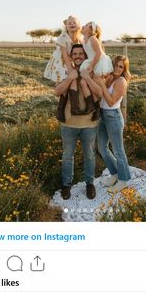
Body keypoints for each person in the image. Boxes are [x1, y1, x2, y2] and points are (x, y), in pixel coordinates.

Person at [55, 44, 102, 200]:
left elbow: (100, 92)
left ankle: (90, 184)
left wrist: (87, 77)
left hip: (88, 124)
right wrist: (70, 78)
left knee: (89, 155)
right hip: (68, 123)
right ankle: (66, 185)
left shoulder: (92, 71)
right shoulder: (65, 71)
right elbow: (57, 91)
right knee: (68, 155)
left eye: (81, 53)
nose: (78, 56)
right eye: (74, 54)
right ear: (71, 56)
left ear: (85, 55)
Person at [95, 55, 131, 193]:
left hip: (113, 116)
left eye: (121, 66)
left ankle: (124, 180)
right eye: (115, 65)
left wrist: (102, 85)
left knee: (118, 151)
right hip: (103, 115)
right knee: (102, 148)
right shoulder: (110, 77)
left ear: (124, 69)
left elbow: (111, 101)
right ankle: (115, 173)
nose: (117, 68)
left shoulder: (121, 81)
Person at [69, 21, 113, 121]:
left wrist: (91, 66)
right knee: (83, 82)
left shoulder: (93, 39)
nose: (84, 25)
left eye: (87, 25)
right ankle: (91, 105)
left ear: (91, 30)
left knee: (90, 82)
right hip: (91, 61)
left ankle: (96, 107)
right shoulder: (84, 39)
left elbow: (98, 54)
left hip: (98, 62)